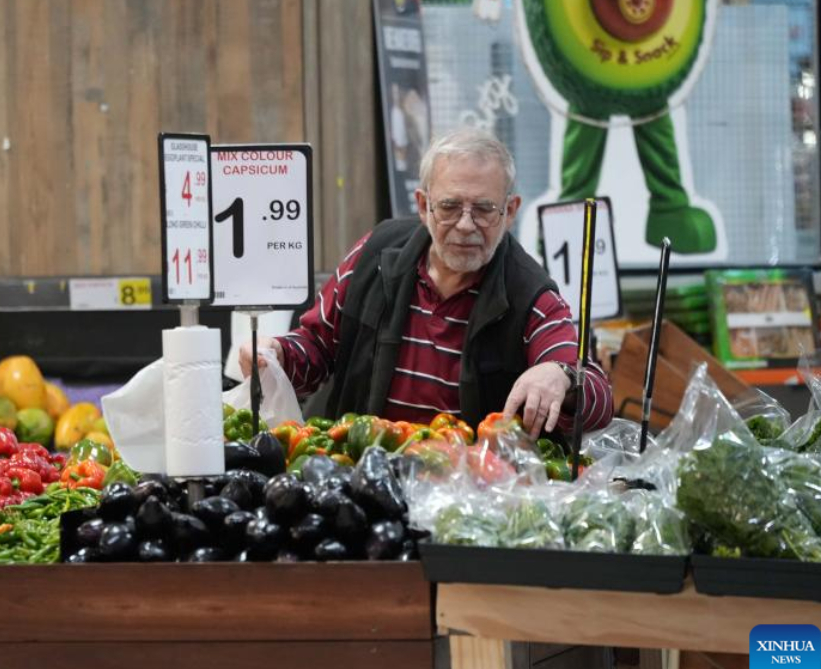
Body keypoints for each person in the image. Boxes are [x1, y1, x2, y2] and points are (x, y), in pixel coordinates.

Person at [240, 128, 612, 438]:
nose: (466, 225)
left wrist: (561, 376)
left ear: (510, 211)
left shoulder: (530, 295)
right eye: (449, 206)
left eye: (484, 209)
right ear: (423, 205)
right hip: (359, 475)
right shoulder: (375, 257)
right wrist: (276, 354)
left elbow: (598, 396)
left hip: (467, 493)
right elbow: (318, 347)